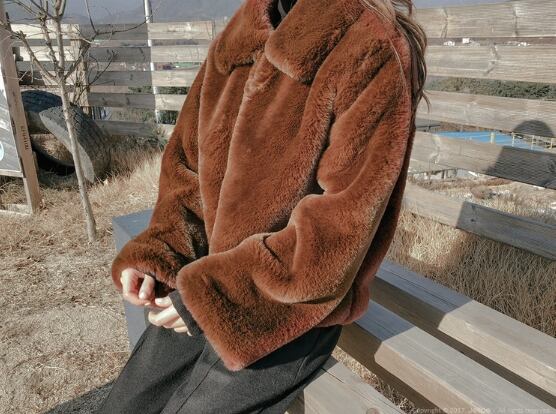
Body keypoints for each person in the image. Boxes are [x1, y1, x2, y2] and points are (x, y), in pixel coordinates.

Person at [97, 0, 427, 412]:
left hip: (290, 313)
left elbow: (340, 226)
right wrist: (158, 255)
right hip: (202, 284)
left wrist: (214, 298)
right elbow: (188, 173)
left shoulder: (369, 45)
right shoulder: (238, 38)